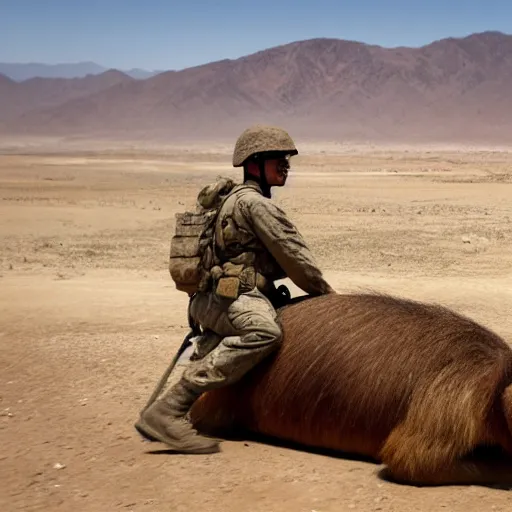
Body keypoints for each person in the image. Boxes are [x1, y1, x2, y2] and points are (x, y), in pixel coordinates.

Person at [135, 125, 334, 453]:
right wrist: (325, 294)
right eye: (277, 159)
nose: (286, 165)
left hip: (214, 298)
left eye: (287, 159)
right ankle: (168, 410)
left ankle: (188, 413)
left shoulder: (234, 200)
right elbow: (297, 258)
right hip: (229, 297)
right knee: (264, 333)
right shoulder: (255, 205)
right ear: (254, 163)